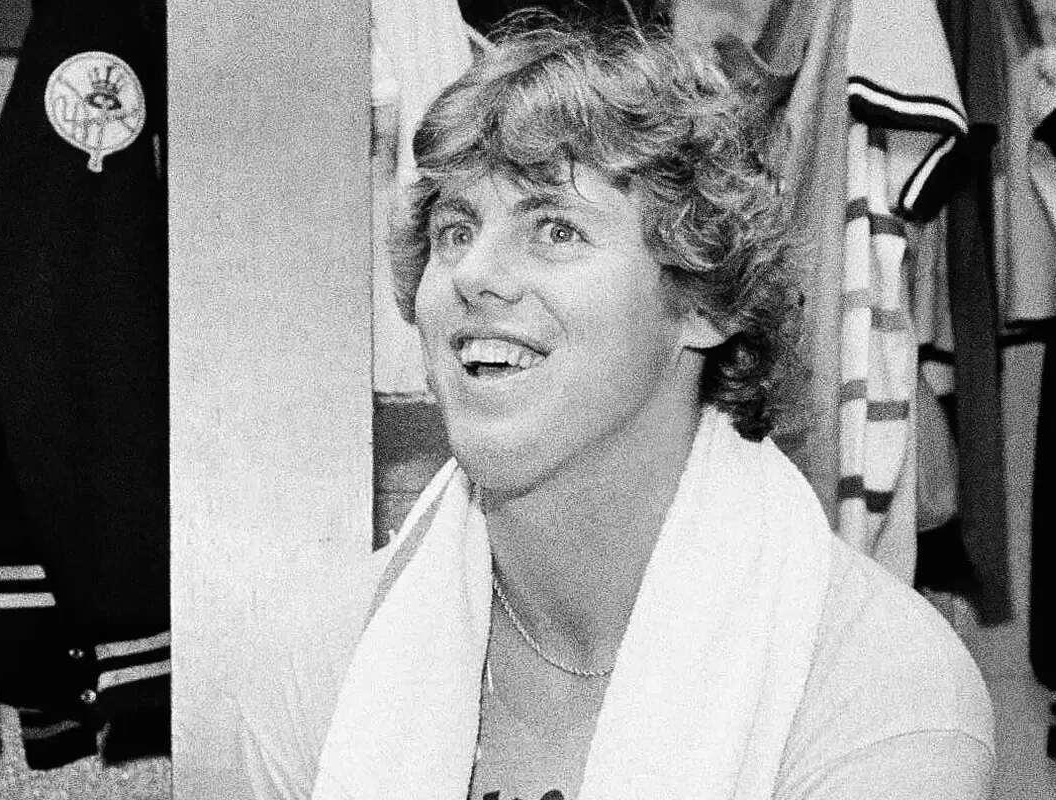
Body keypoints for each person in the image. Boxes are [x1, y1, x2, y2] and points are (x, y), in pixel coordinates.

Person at [310, 18, 994, 800]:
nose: (473, 274)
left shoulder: (883, 694)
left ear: (702, 299)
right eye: (454, 229)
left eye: (555, 228)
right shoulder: (330, 665)